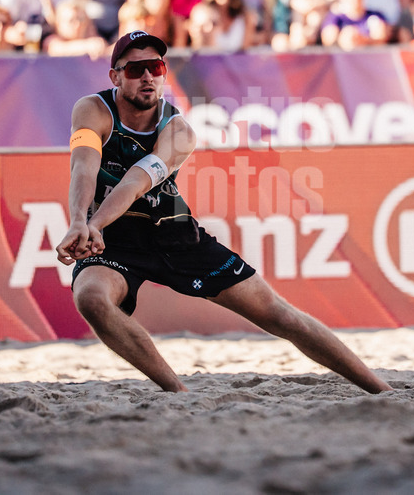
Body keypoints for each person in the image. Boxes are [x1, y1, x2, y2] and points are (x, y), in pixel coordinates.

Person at [55, 30, 391, 395]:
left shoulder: (179, 129)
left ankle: (382, 390)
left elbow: (136, 181)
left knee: (278, 315)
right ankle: (178, 394)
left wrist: (93, 225)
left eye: (156, 66)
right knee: (90, 298)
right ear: (115, 76)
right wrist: (78, 222)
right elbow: (83, 167)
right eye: (136, 69)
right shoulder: (91, 109)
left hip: (175, 236)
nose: (148, 76)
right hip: (115, 244)